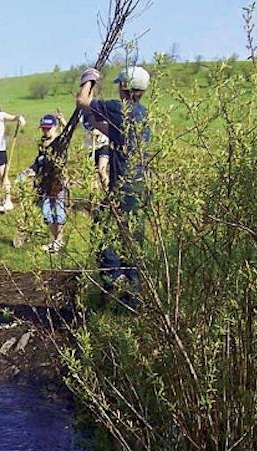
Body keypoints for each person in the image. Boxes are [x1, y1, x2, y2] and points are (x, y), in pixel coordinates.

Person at [76, 65, 151, 300]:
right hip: (141, 187)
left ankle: (113, 284)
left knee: (104, 231)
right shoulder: (141, 113)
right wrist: (91, 120)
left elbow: (82, 100)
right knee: (133, 240)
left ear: (124, 87)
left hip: (123, 185)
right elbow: (111, 130)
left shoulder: (120, 108)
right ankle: (133, 293)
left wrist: (89, 79)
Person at [17, 114, 69, 253]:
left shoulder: (60, 142)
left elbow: (68, 132)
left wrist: (62, 120)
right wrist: (28, 172)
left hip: (58, 182)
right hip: (45, 182)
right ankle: (56, 240)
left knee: (58, 213)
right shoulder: (42, 144)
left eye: (48, 129)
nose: (46, 131)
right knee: (46, 212)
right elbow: (38, 162)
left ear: (55, 127)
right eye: (44, 129)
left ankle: (58, 241)